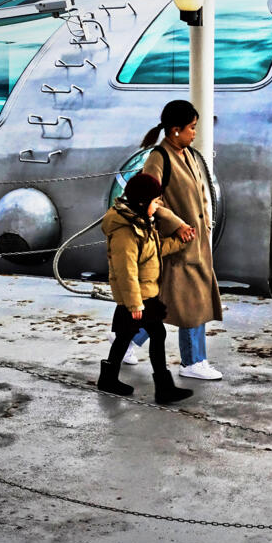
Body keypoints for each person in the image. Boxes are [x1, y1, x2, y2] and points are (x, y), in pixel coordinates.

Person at [140, 100, 225, 380]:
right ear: (175, 130)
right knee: (191, 302)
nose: (194, 134)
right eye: (191, 128)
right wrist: (176, 224)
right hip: (179, 243)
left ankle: (128, 342)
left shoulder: (186, 154)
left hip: (194, 243)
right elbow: (148, 198)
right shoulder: (159, 157)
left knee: (166, 301)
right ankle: (192, 362)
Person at [97, 173, 193, 403]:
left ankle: (112, 379)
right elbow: (125, 270)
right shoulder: (124, 231)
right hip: (136, 297)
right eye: (154, 201)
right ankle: (161, 387)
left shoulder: (141, 222)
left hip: (145, 293)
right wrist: (134, 303)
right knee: (142, 335)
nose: (157, 205)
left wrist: (181, 241)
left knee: (129, 336)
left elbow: (154, 251)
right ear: (142, 203)